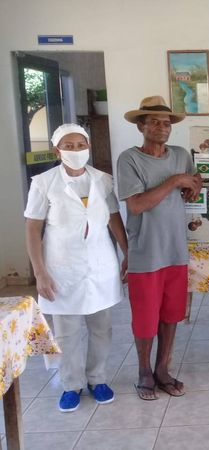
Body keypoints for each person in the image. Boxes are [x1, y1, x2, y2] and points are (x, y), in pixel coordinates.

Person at [24, 123, 128, 412]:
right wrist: (40, 272)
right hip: (61, 268)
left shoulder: (102, 180)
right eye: (68, 146)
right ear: (57, 151)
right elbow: (32, 228)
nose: (75, 151)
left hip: (100, 266)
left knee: (101, 328)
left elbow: (114, 218)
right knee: (66, 332)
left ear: (88, 148)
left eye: (80, 145)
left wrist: (127, 252)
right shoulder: (43, 183)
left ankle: (98, 379)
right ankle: (71, 384)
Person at [117, 96, 202, 400]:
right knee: (145, 318)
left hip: (176, 250)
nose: (162, 128)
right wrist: (175, 180)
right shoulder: (130, 159)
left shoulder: (180, 155)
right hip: (146, 253)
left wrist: (194, 185)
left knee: (171, 313)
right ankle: (144, 371)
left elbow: (194, 181)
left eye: (166, 123)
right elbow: (136, 205)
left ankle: (162, 369)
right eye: (154, 122)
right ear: (140, 126)